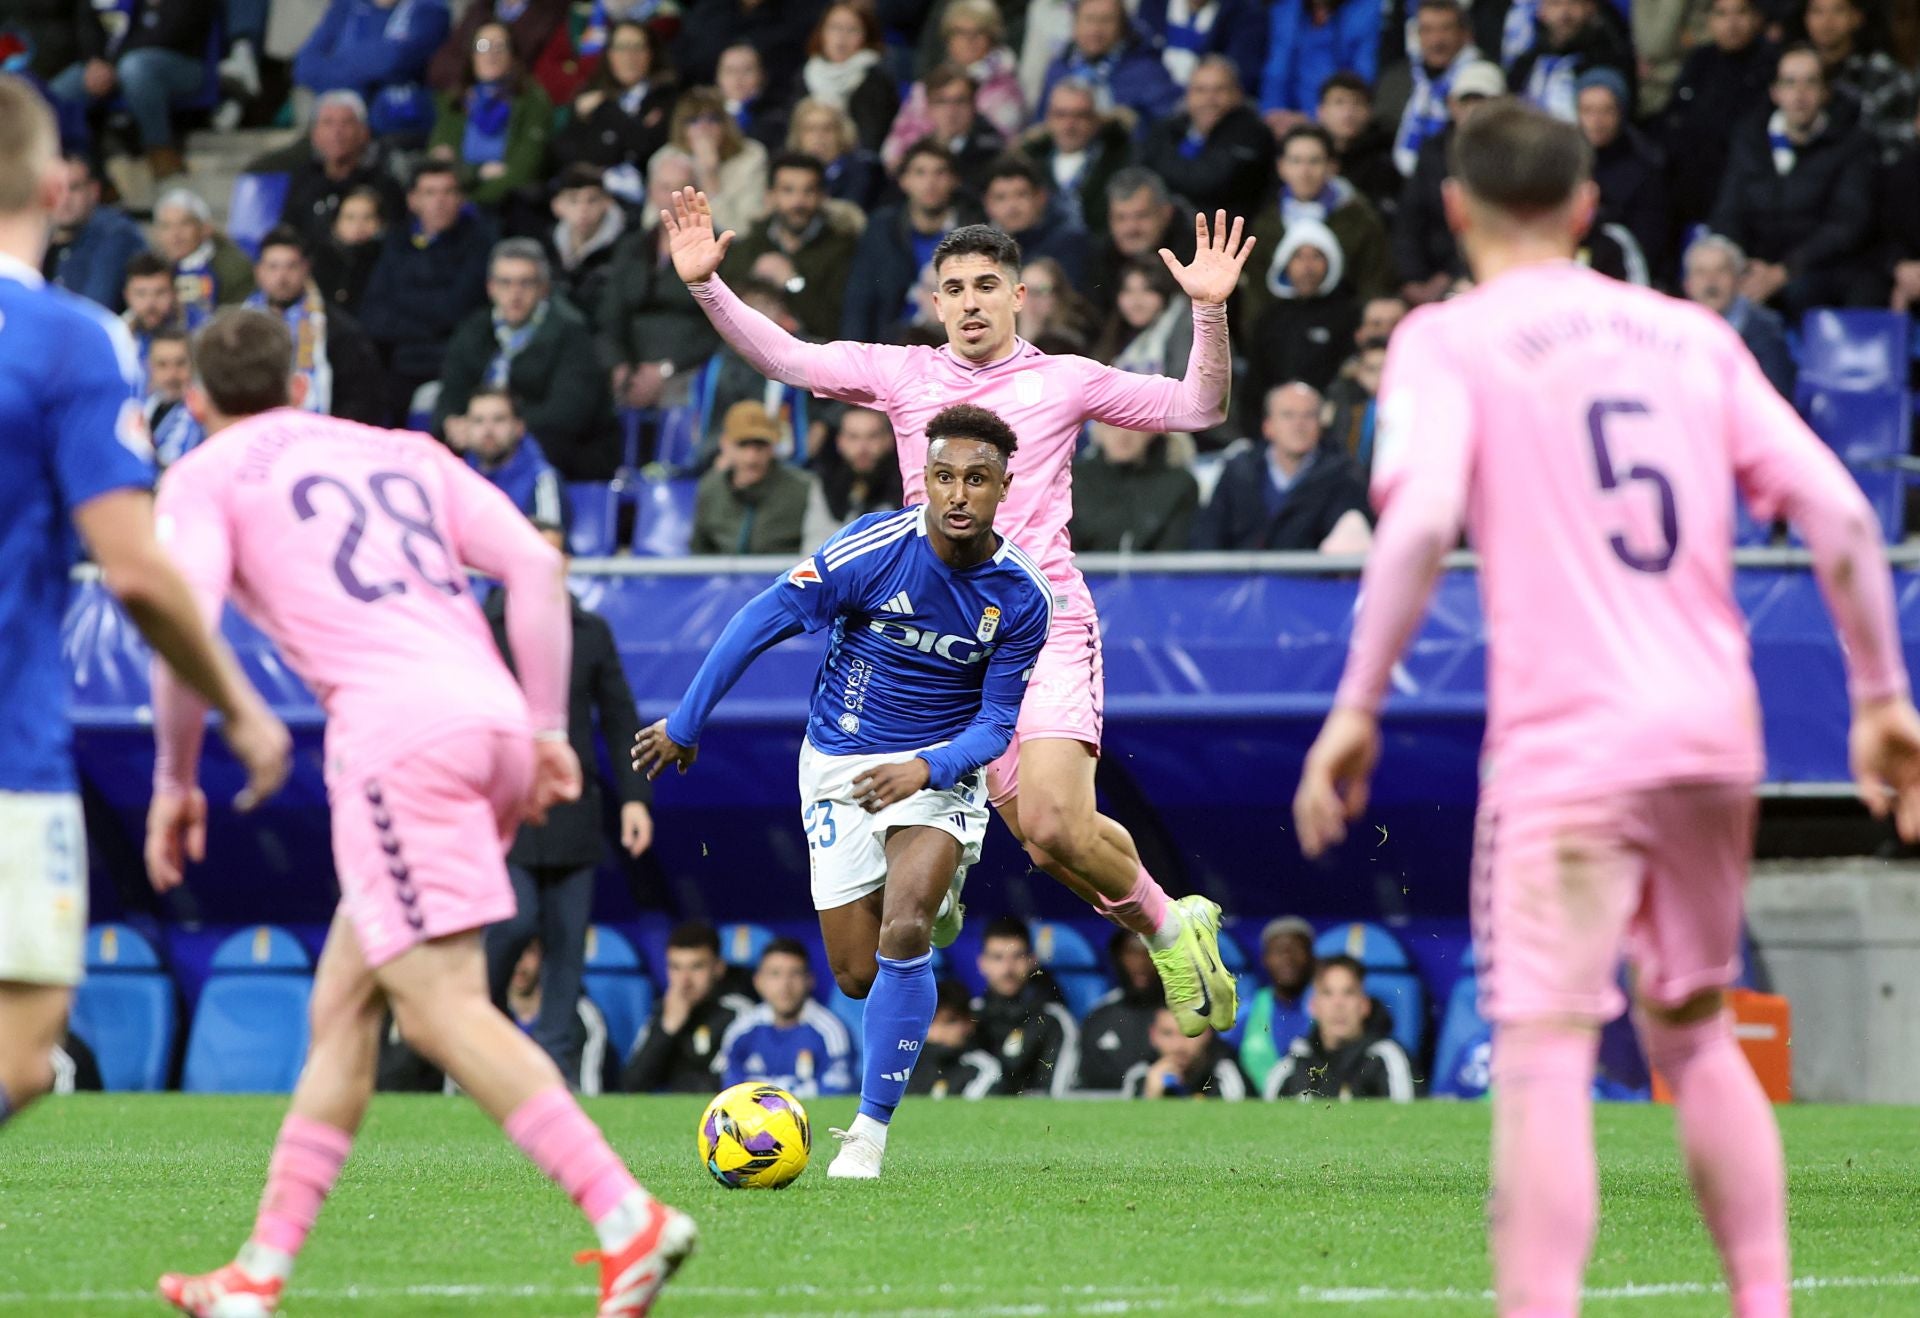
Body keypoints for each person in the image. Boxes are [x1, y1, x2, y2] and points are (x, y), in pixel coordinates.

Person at [1294, 100, 1920, 1318]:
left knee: (1543, 1049)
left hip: (1571, 744)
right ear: (1588, 208)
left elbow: (1418, 522)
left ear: (1458, 209)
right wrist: (1882, 698)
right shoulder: (1693, 334)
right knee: (1691, 1022)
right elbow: (1843, 516)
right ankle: (1766, 1301)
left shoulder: (1450, 338)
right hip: (1710, 731)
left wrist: (1357, 705)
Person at [145, 308, 695, 1317]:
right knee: (344, 1008)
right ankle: (257, 1274)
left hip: (397, 740)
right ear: (300, 384)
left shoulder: (206, 473)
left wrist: (174, 781)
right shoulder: (399, 447)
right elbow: (535, 564)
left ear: (195, 400)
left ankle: (628, 1216)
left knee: (441, 1005)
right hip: (485, 714)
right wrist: (543, 729)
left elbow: (176, 618)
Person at [663, 188, 1246, 1042]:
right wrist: (708, 287)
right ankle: (1169, 922)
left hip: (1040, 623)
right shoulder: (906, 374)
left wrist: (1209, 309)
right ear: (935, 303)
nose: (971, 302)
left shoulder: (1064, 381)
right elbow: (790, 359)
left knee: (1050, 823)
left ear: (1019, 296)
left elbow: (1200, 407)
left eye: (987, 285)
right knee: (1048, 847)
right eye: (955, 288)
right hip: (936, 645)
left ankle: (1164, 926)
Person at [636, 408, 1050, 1172]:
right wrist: (687, 723)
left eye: (977, 480)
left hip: (938, 772)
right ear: (923, 480)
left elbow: (997, 725)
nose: (959, 494)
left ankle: (867, 1134)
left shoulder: (1022, 597)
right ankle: (926, 915)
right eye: (945, 477)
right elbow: (763, 618)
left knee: (905, 932)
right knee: (859, 974)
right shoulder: (872, 549)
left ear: (1004, 487)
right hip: (838, 768)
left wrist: (927, 768)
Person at [0, 76, 289, 1142]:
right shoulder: (70, 339)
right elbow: (134, 568)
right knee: (28, 1049)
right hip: (7, 752)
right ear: (59, 184)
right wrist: (241, 708)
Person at [482, 526, 654, 1082]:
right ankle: (478, 1023)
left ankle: (552, 1075)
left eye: (555, 554)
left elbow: (620, 716)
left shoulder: (589, 631)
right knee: (513, 923)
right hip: (501, 813)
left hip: (574, 810)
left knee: (565, 948)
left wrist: (635, 799)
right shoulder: (482, 628)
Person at [1708, 45, 1878, 317]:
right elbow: (1728, 211)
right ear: (1775, 92)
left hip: (1818, 269)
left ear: (1825, 93)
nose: (1800, 94)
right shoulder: (1749, 140)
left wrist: (1785, 270)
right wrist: (1742, 264)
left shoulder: (1851, 144)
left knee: (1805, 290)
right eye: (1790, 82)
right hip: (1756, 266)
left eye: (1810, 83)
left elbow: (1847, 225)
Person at [434, 239, 614, 480]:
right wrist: (453, 423)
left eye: (525, 283)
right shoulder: (472, 330)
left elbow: (569, 413)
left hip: (555, 450)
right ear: (490, 287)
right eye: (505, 283)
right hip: (484, 440)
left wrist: (498, 430)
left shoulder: (572, 334)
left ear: (543, 288)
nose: (514, 293)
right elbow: (450, 394)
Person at [358, 161, 496, 423]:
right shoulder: (396, 242)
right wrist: (430, 323)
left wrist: (402, 301)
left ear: (461, 199)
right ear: (413, 200)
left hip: (452, 361)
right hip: (399, 360)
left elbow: (456, 309)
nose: (440, 201)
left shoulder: (480, 241)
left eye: (448, 192)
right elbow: (372, 314)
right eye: (430, 193)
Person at [598, 151, 721, 413]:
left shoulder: (717, 250)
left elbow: (722, 325)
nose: (672, 199)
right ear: (651, 192)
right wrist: (618, 366)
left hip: (690, 369)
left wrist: (665, 369)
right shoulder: (631, 247)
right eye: (664, 188)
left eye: (681, 190)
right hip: (631, 368)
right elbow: (610, 317)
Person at [1194, 382, 1373, 552]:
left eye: (1308, 415)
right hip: (1238, 582)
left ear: (1320, 425)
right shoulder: (1238, 471)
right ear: (1268, 426)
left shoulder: (1344, 477)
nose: (1298, 425)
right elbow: (1207, 537)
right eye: (1288, 415)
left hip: (1308, 582)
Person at [245, 227, 387, 426]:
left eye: (291, 266)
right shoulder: (236, 329)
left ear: (306, 268)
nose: (282, 277)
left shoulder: (339, 330)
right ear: (258, 271)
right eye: (273, 267)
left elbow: (360, 400)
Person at [840, 140, 978, 343]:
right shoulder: (882, 228)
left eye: (939, 173)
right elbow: (860, 297)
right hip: (894, 343)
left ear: (954, 180)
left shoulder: (974, 230)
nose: (930, 183)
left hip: (956, 341)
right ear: (904, 181)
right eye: (920, 173)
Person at [1393, 59, 1505, 305]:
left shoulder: (1513, 158)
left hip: (1488, 274)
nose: (1475, 110)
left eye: (1484, 101)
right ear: (1453, 106)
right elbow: (1410, 220)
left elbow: (1499, 227)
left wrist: (1449, 276)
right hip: (1429, 275)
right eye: (1467, 101)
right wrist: (1412, 279)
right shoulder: (1432, 152)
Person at [723, 153, 860, 342]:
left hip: (810, 352)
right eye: (788, 190)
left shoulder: (841, 248)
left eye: (808, 191)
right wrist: (751, 277)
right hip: (748, 348)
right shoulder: (753, 242)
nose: (798, 201)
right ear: (770, 196)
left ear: (822, 196)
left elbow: (835, 324)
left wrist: (793, 282)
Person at [427, 21, 555, 213]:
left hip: (505, 204)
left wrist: (473, 199)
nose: (491, 54)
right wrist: (477, 173)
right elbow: (439, 163)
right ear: (471, 55)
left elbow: (524, 170)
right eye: (482, 46)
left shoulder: (532, 101)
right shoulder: (454, 101)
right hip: (454, 203)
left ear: (513, 55)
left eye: (499, 47)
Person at [258, 92, 408, 249]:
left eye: (346, 123)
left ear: (364, 133)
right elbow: (288, 231)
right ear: (315, 134)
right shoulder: (303, 179)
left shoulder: (384, 184)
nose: (337, 132)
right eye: (328, 123)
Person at [549, 20, 678, 202]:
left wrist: (606, 112)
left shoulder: (667, 97)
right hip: (588, 198)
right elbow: (565, 152)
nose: (629, 57)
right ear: (609, 54)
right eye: (621, 48)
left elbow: (646, 149)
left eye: (638, 47)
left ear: (651, 53)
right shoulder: (590, 93)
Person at [620, 921, 753, 1093]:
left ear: (718, 968)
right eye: (676, 967)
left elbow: (723, 1087)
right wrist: (667, 1030)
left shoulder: (740, 1014)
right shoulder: (666, 1011)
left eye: (696, 967)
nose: (684, 981)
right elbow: (630, 1086)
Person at [292, 0, 451, 143]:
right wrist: (367, 65)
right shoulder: (345, 6)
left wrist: (337, 62)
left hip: (397, 129)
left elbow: (391, 63)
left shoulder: (430, 9)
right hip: (340, 130)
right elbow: (305, 67)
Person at [712, 939, 856, 1097]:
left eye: (794, 973)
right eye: (775, 974)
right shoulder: (741, 1029)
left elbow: (836, 1094)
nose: (785, 984)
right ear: (758, 981)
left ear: (809, 981)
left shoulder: (829, 1030)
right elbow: (729, 1091)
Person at [1140, 57, 1274, 222]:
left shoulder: (1252, 133)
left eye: (1219, 90)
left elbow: (1208, 182)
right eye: (1200, 90)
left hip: (1228, 236)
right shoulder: (1169, 128)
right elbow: (1140, 170)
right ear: (1188, 95)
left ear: (1237, 94)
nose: (1209, 99)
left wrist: (1159, 162)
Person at [1262, 956, 1414, 1100]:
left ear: (1364, 1005)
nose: (1338, 1004)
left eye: (1349, 993)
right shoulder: (1293, 1064)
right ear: (1313, 1006)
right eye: (1327, 993)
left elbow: (1408, 1121)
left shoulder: (1387, 1059)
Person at [1244, 221, 1363, 407]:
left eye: (1316, 256)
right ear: (1285, 263)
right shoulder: (1269, 319)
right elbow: (1255, 382)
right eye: (1298, 257)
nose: (1307, 267)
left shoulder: (1349, 316)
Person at [890, 0, 1026, 152]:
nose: (969, 40)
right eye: (960, 32)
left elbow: (999, 143)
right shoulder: (926, 85)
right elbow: (894, 149)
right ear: (948, 39)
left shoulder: (1006, 90)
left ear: (992, 38)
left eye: (978, 32)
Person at [1039, 0, 1182, 142]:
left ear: (1122, 27)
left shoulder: (1148, 71)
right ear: (1075, 25)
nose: (1096, 29)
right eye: (1089, 19)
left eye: (1106, 20)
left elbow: (1169, 129)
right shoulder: (1059, 69)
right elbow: (1040, 124)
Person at [1576, 68, 1670, 280]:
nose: (1596, 121)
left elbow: (1648, 244)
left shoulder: (1645, 164)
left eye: (1606, 111)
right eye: (1588, 111)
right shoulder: (1566, 160)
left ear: (1621, 112)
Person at [687, 400, 814, 554]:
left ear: (772, 447)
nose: (751, 457)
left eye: (760, 445)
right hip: (723, 577)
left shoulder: (803, 489)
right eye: (743, 444)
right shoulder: (710, 488)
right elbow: (699, 551)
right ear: (725, 444)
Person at [972, 917, 1081, 1096]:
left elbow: (1056, 1097)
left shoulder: (1054, 1020)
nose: (1008, 969)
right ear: (982, 963)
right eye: (998, 957)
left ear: (1032, 961)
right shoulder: (968, 1016)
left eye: (1017, 957)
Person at [1684, 235, 1796, 398]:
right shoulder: (1671, 329)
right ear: (1687, 284)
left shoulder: (1766, 330)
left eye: (1721, 270)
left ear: (1738, 280)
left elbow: (1776, 398)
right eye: (1701, 272)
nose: (1711, 281)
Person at [1020, 80, 1136, 237]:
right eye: (1061, 115)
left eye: (1080, 115)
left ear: (1096, 119)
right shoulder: (1027, 162)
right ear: (1048, 118)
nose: (1069, 125)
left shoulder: (1123, 159)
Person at [1804, 0, 1916, 159]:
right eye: (1817, 11)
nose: (1826, 21)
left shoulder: (1885, 75)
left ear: (1857, 17)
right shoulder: (1788, 70)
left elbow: (1900, 145)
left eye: (1838, 10)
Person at [659, 87, 769, 239]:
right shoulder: (665, 158)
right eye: (693, 120)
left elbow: (742, 231)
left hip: (731, 250)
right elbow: (651, 223)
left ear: (726, 124)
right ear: (681, 128)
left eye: (713, 119)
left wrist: (709, 177)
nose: (704, 128)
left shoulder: (751, 157)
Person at [1071, 425, 1200, 551]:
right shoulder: (1072, 480)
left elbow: (1170, 558)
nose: (1123, 434)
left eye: (1133, 425)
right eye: (1112, 425)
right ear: (1098, 430)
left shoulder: (1179, 485)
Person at [451, 387, 567, 526]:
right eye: (478, 421)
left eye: (499, 419)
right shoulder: (457, 477)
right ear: (467, 428)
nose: (488, 430)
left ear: (519, 427)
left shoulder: (542, 479)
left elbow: (551, 540)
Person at [1259, 0, 1381, 133]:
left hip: (1337, 117)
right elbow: (1276, 72)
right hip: (1288, 121)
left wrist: (1313, 116)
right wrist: (1275, 114)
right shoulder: (1286, 10)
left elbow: (1361, 78)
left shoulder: (1368, 10)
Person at [42, 155, 145, 312]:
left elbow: (95, 308)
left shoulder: (116, 233)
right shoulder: (43, 238)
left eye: (74, 188)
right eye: (57, 190)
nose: (65, 198)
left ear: (94, 190)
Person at [1508, 0, 1637, 123]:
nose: (1564, 14)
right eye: (1555, 4)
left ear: (1591, 8)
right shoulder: (1526, 63)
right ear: (1541, 10)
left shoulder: (1610, 60)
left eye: (1574, 3)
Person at [1394, 0, 1480, 179]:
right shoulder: (1397, 79)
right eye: (1427, 30)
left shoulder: (1481, 79)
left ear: (1465, 34)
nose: (1436, 40)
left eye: (1446, 29)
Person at [797, 4, 898, 154]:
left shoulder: (876, 81)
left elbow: (872, 139)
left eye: (852, 30)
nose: (841, 37)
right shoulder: (805, 75)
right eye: (835, 27)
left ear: (866, 37)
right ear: (821, 33)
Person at [1073, 930, 1166, 1091]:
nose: (1141, 963)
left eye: (1149, 952)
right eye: (1132, 953)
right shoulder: (1099, 1017)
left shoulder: (1182, 1014)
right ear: (1117, 957)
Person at [980, 155, 1087, 292]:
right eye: (1001, 198)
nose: (1012, 206)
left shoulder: (1069, 243)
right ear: (987, 204)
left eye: (1021, 194)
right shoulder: (982, 249)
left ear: (1041, 197)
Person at [153, 189, 256, 331]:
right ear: (157, 234)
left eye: (184, 224)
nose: (175, 234)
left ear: (205, 228)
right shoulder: (153, 267)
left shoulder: (234, 267)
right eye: (166, 226)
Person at [804, 406, 904, 548]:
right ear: (840, 442)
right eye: (853, 437)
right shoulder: (826, 483)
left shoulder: (907, 485)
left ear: (889, 440)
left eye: (872, 436)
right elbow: (813, 546)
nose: (862, 448)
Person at [1237, 916, 1316, 1091]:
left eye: (1296, 950)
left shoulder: (1326, 1007)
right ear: (1265, 959)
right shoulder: (1248, 1010)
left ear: (1311, 957)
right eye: (1278, 951)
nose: (1287, 958)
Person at [544, 164, 626, 317]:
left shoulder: (626, 247)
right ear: (557, 206)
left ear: (607, 202)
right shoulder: (546, 247)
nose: (583, 209)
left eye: (592, 200)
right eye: (573, 200)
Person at [904, 981, 1005, 1099]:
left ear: (969, 1023)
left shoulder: (983, 1069)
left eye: (949, 1022)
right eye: (931, 1022)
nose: (940, 1031)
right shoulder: (906, 1065)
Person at [788, 98, 885, 213]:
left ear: (842, 134)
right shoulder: (787, 171)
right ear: (798, 136)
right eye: (810, 129)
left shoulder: (862, 170)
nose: (818, 137)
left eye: (827, 129)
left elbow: (851, 213)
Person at [1124, 1008, 1248, 1098]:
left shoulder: (1224, 1076)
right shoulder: (1139, 1077)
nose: (1178, 1046)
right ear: (1153, 1035)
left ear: (1207, 1033)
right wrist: (1151, 1095)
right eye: (1168, 1033)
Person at [311, 186, 387, 315]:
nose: (359, 225)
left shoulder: (389, 260)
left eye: (367, 217)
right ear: (335, 224)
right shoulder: (319, 260)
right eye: (350, 217)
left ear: (380, 222)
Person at [123, 251, 185, 383]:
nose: (150, 304)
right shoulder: (116, 338)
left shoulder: (199, 332)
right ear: (127, 296)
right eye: (141, 294)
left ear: (175, 293)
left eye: (160, 292)